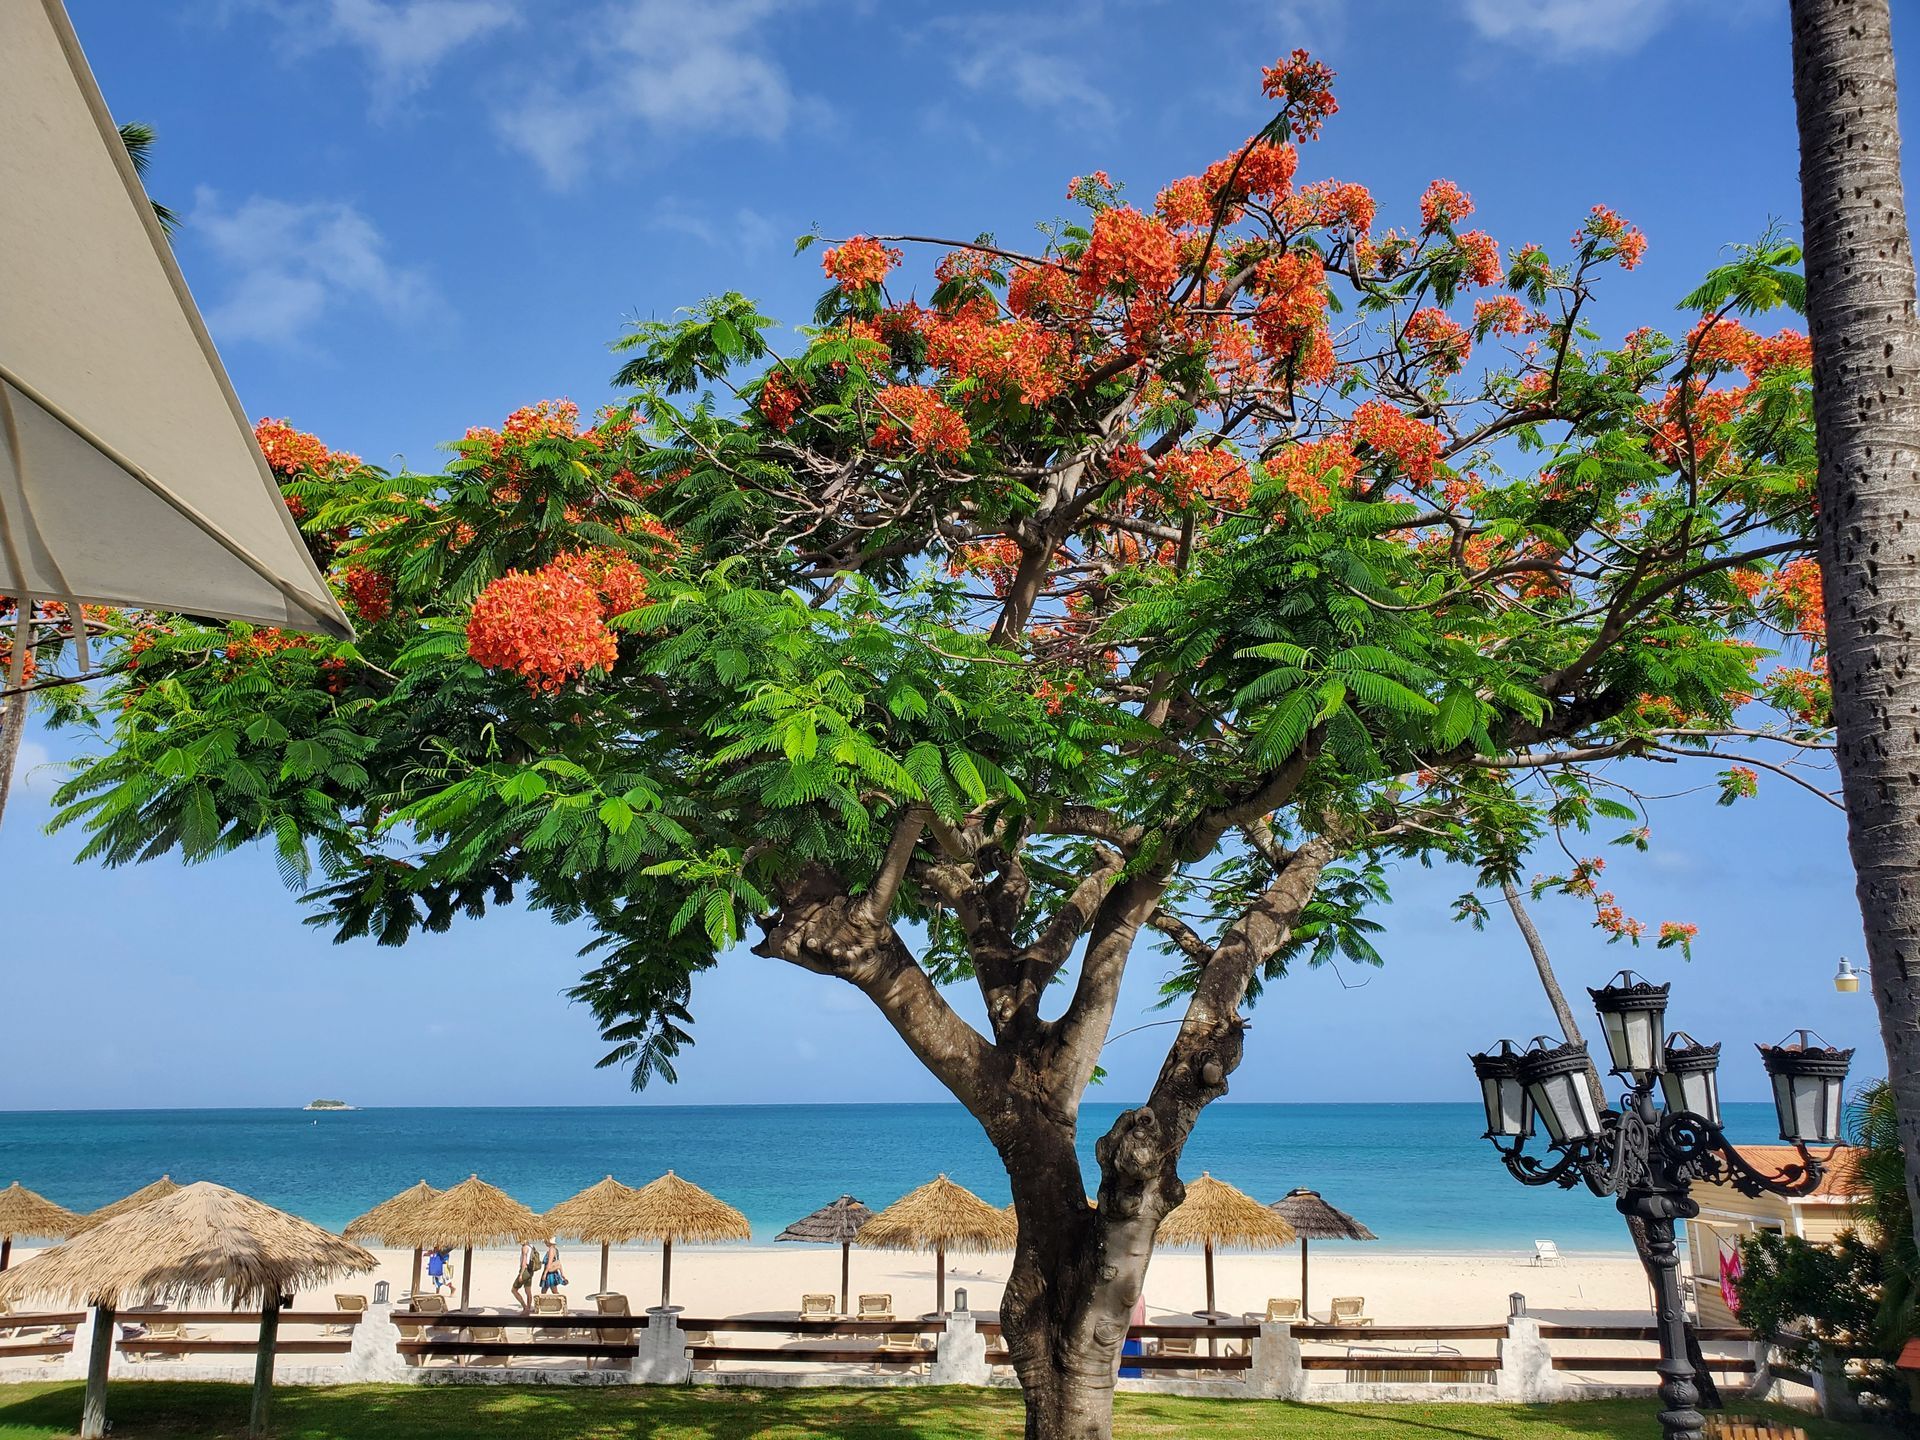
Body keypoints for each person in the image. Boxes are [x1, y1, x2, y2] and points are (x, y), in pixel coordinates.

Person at [512, 1239, 540, 1313]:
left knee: (514, 1290)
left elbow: (524, 1263)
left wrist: (521, 1274)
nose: (519, 1241)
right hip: (530, 1271)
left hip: (525, 1271)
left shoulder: (524, 1247)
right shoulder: (531, 1246)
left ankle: (525, 1307)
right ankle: (528, 1308)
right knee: (528, 1291)